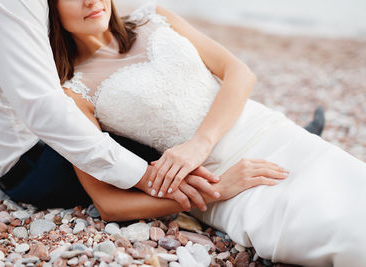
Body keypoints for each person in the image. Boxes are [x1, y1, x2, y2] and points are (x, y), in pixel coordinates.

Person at [47, 0, 366, 266]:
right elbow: (109, 204)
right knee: (338, 233)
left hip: (274, 133)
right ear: (48, 10)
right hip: (224, 181)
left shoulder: (153, 18)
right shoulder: (73, 92)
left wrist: (201, 142)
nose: (90, 0)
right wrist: (217, 192)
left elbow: (239, 73)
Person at [0, 0, 226, 210]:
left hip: (27, 141)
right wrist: (145, 177)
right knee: (193, 170)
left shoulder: (151, 18)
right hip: (36, 160)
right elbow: (44, 109)